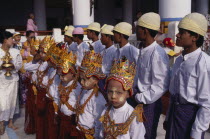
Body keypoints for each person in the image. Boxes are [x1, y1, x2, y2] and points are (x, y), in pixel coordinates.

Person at [164, 13, 210, 139]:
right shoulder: (179, 60)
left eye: (182, 32)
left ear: (194, 37)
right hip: (174, 115)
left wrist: (196, 132)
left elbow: (206, 104)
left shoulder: (204, 63)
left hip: (190, 119)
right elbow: (173, 95)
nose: (177, 35)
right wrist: (168, 117)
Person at [134, 12, 170, 139]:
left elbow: (161, 85)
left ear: (145, 31)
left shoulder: (157, 53)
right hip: (137, 99)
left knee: (146, 135)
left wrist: (141, 97)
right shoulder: (142, 49)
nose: (135, 31)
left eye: (137, 28)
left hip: (149, 104)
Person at [98, 56, 146, 138]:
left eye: (119, 93)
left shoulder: (132, 115)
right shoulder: (106, 110)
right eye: (110, 91)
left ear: (128, 94)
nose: (113, 96)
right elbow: (100, 133)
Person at [76, 50, 107, 138]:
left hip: (88, 135)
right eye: (81, 79)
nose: (81, 82)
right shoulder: (83, 91)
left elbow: (99, 122)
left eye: (85, 79)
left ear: (95, 80)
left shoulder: (98, 98)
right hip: (78, 130)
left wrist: (95, 136)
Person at [0, 31, 22, 135]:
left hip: (13, 79)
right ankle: (1, 122)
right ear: (5, 40)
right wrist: (2, 66)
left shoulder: (15, 52)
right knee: (3, 102)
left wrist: (12, 66)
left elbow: (19, 65)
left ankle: (10, 122)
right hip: (1, 80)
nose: (13, 41)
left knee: (12, 101)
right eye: (11, 39)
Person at [56, 50, 82, 139]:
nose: (61, 77)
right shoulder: (62, 84)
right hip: (62, 117)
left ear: (72, 73)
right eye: (59, 75)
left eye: (63, 75)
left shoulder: (77, 87)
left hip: (71, 120)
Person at [99, 24, 117, 95]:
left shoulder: (115, 52)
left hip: (107, 81)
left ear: (109, 37)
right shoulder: (102, 51)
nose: (100, 39)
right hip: (99, 80)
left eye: (102, 36)